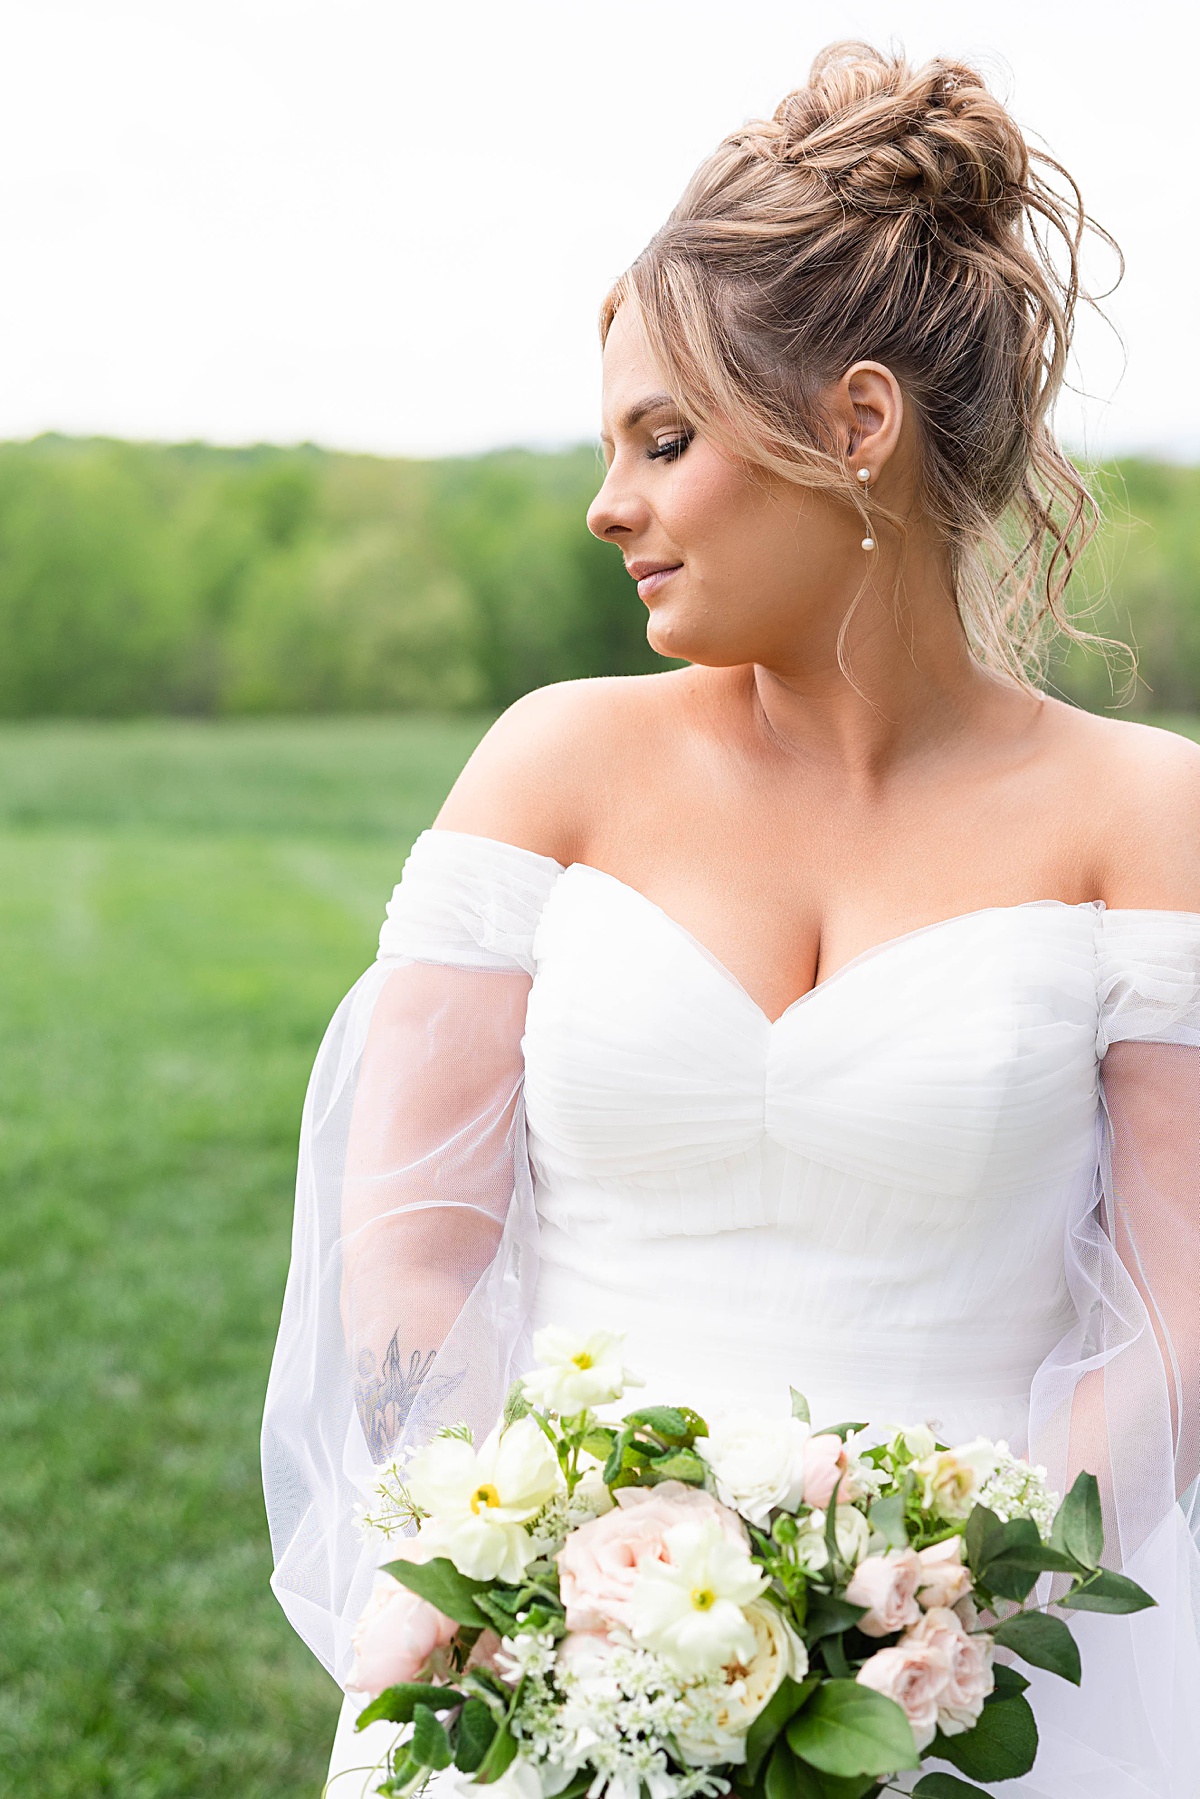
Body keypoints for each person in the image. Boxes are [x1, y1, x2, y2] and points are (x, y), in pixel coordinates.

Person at [262, 42, 1200, 1797]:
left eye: (664, 440)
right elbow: (416, 1246)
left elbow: (1181, 1311)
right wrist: (521, 1598)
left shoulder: (1143, 815)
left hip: (971, 1692)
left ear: (856, 426)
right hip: (554, 1665)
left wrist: (937, 1634)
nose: (608, 503)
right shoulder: (553, 764)